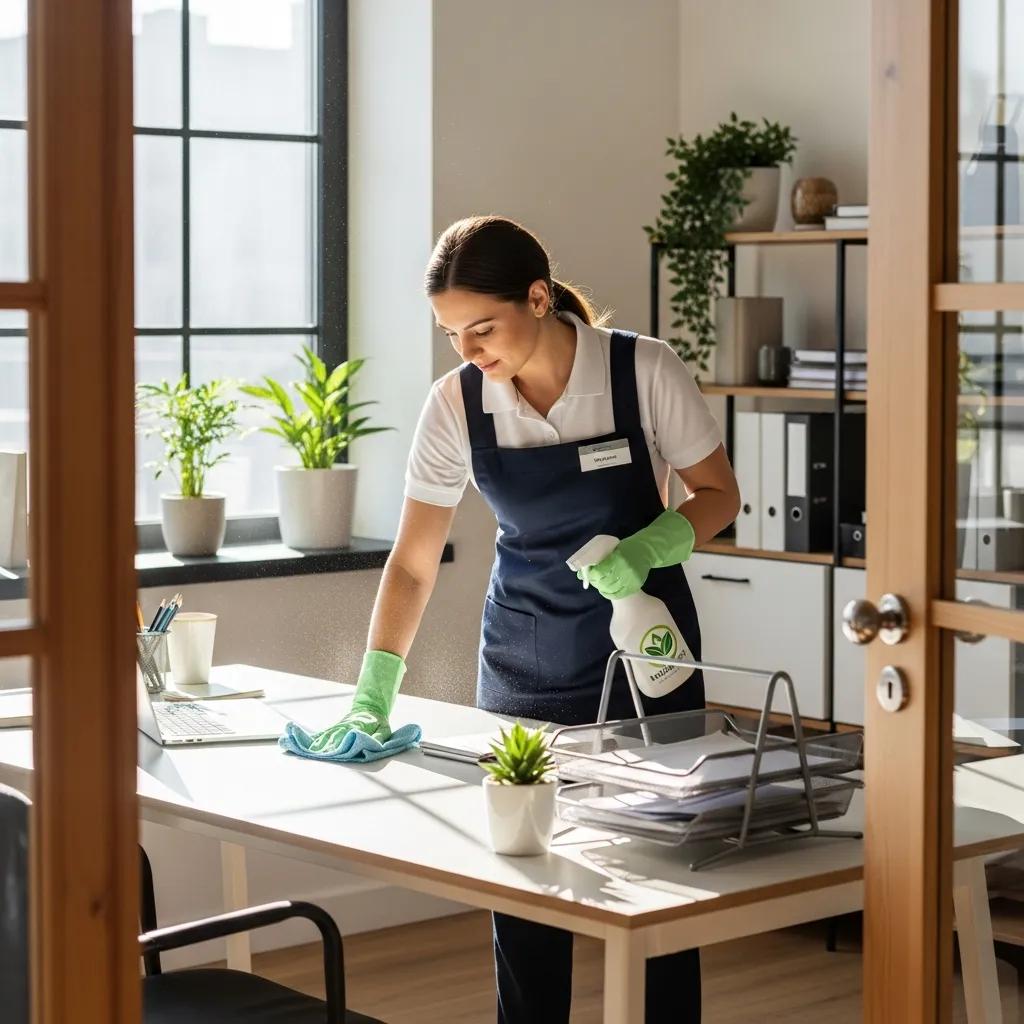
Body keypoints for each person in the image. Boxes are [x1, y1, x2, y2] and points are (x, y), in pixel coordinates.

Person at [307, 214, 740, 1023]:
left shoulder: (641, 370)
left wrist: (648, 549)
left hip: (647, 655)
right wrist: (375, 690)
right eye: (449, 334)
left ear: (538, 298)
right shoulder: (456, 405)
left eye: (482, 327)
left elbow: (720, 494)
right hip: (523, 663)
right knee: (528, 887)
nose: (469, 351)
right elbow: (411, 562)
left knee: (662, 888)